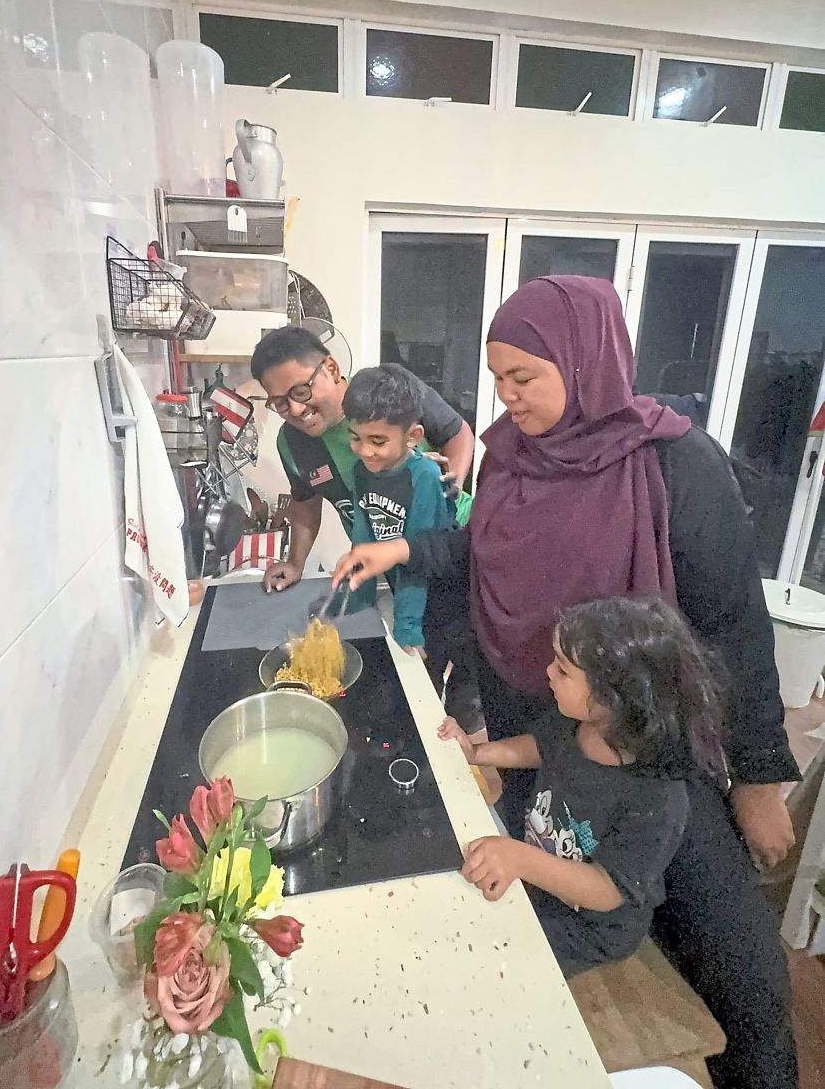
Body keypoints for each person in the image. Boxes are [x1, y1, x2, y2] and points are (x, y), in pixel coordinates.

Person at [334, 276, 799, 1089]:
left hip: (648, 750)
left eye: (525, 379)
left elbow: (734, 630)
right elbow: (480, 550)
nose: (506, 398)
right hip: (544, 734)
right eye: (498, 379)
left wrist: (758, 779)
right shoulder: (511, 455)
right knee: (545, 935)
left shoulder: (673, 462)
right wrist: (400, 552)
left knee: (741, 969)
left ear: (586, 362)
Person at [440, 596, 724, 979]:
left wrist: (520, 859)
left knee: (488, 960)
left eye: (562, 669)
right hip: (541, 881)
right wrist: (476, 753)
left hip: (589, 928)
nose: (548, 673)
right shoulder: (578, 724)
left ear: (610, 697)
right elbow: (537, 748)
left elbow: (606, 890)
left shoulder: (658, 800)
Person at [250, 325, 474, 594]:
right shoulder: (291, 443)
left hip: (455, 545)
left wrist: (451, 487)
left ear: (331, 368)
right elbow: (306, 505)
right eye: (280, 403)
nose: (296, 409)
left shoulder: (386, 389)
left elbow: (457, 432)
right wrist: (295, 563)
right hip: (393, 567)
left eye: (300, 392)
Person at [343, 365, 458, 653]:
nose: (365, 451)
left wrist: (407, 628)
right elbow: (363, 537)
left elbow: (419, 555)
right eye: (356, 437)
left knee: (424, 669)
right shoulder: (362, 470)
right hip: (402, 590)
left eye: (378, 441)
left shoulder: (425, 478)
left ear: (413, 436)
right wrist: (359, 597)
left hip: (437, 595)